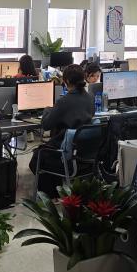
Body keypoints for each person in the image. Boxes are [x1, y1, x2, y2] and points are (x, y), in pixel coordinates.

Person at [32, 64, 95, 196]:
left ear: (66, 81)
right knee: (47, 153)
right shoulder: (90, 98)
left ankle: (51, 196)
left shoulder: (64, 101)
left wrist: (47, 110)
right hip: (85, 153)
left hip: (66, 154)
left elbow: (46, 125)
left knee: (37, 157)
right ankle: (57, 191)